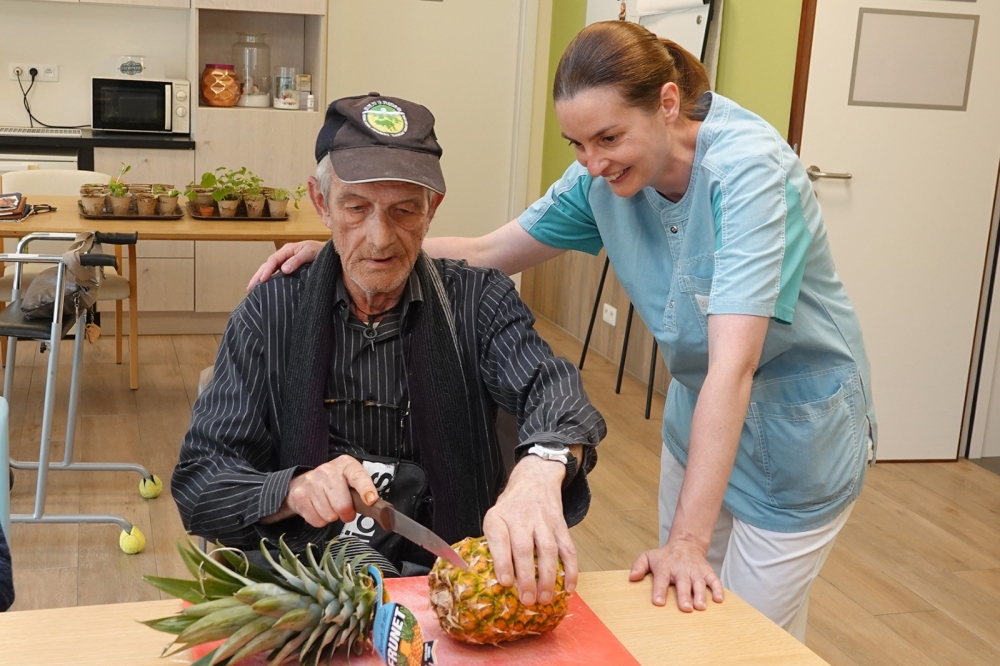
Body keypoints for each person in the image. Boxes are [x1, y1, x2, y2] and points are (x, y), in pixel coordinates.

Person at [249, 21, 877, 642]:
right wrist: (346, 245)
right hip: (701, 422)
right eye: (577, 144)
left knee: (751, 640)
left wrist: (685, 541)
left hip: (797, 432)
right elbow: (492, 248)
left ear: (665, 103)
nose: (594, 163)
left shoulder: (750, 174)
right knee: (688, 621)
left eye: (608, 138)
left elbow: (733, 367)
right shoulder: (600, 178)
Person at [174, 93, 606, 607]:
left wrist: (539, 469)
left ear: (432, 210)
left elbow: (552, 388)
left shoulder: (477, 301)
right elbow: (202, 479)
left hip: (448, 585)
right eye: (356, 208)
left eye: (404, 211)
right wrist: (290, 491)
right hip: (307, 590)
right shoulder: (270, 314)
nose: (379, 239)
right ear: (320, 203)